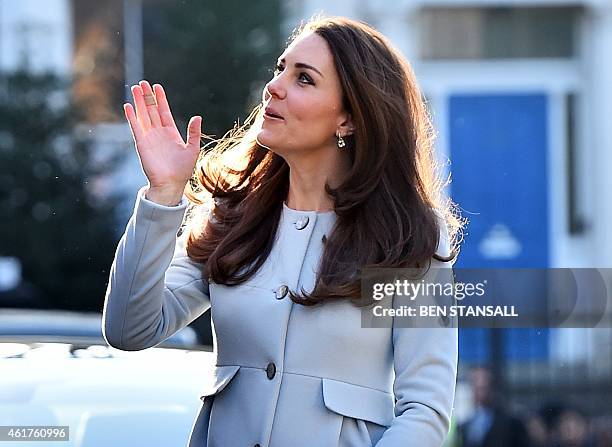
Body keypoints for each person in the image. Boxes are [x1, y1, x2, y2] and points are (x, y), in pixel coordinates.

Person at [102, 15, 463, 447]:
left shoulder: (409, 238)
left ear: (348, 119)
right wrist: (162, 195)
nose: (274, 87)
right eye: (280, 69)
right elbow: (129, 330)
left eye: (304, 79)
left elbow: (425, 408)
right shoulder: (231, 215)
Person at [457, 366, 531, 447]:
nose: (478, 388)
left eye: (483, 385)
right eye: (474, 383)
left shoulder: (512, 422)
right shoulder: (465, 423)